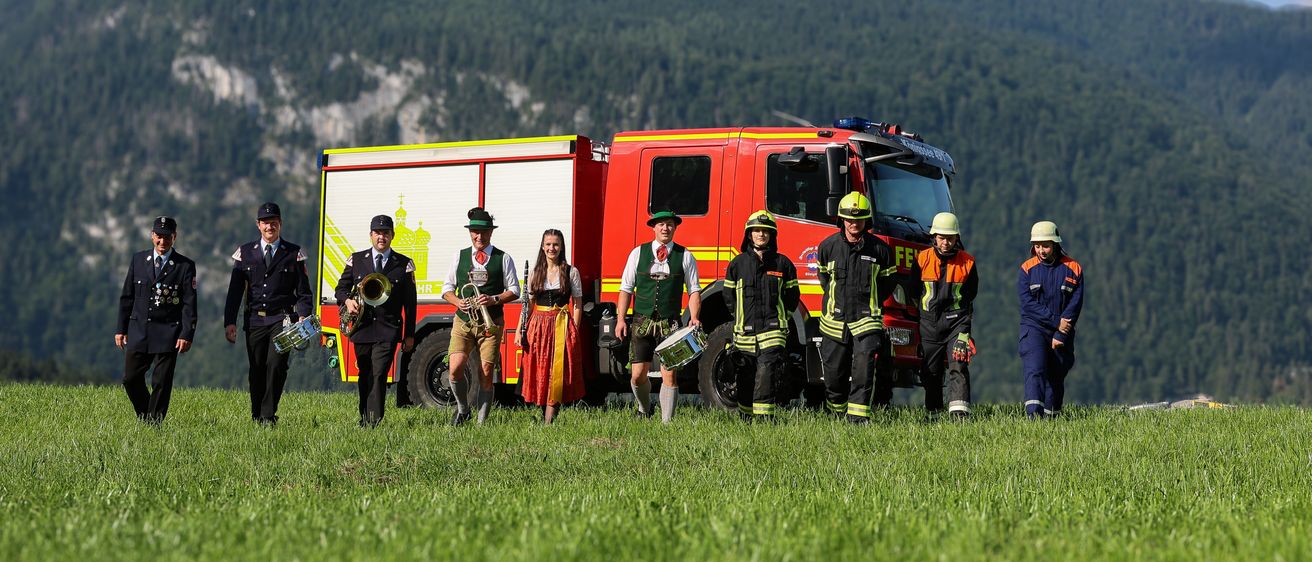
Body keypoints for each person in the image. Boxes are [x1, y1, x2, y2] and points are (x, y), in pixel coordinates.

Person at [223, 202, 313, 426]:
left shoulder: (294, 253)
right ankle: (256, 414)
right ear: (258, 225)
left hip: (282, 320)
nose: (269, 226)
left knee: (276, 366)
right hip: (254, 320)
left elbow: (303, 292)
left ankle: (268, 415)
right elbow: (234, 293)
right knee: (257, 368)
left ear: (280, 224)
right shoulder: (244, 253)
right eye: (265, 222)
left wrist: (303, 316)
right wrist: (229, 322)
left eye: (274, 222)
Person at [816, 192, 897, 424]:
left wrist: (870, 301)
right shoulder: (827, 247)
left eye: (859, 218)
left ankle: (858, 418)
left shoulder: (880, 250)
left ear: (866, 220)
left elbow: (887, 284)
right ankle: (836, 412)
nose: (854, 223)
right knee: (833, 374)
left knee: (864, 368)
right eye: (849, 219)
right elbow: (824, 279)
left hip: (866, 320)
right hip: (834, 321)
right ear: (841, 219)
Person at [615, 210, 702, 422]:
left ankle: (666, 424)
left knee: (670, 374)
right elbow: (626, 289)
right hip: (641, 321)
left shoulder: (686, 256)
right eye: (661, 224)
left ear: (675, 228)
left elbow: (694, 291)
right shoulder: (638, 253)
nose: (665, 228)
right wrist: (620, 320)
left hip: (670, 323)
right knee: (637, 375)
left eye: (670, 224)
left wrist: (694, 317)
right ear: (654, 227)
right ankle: (644, 409)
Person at [335, 215, 417, 427]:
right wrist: (347, 301)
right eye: (378, 233)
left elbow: (410, 304)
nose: (382, 237)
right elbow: (340, 289)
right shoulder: (356, 259)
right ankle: (364, 417)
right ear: (371, 235)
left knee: (379, 373)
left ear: (392, 236)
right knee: (365, 373)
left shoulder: (404, 264)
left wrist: (409, 334)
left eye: (386, 233)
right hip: (362, 327)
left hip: (387, 328)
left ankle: (374, 421)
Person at [441, 207, 520, 426]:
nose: (479, 236)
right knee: (455, 368)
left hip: (491, 322)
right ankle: (463, 409)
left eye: (484, 232)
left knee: (486, 371)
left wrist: (493, 299)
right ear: (470, 232)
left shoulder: (503, 258)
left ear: (491, 233)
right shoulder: (460, 256)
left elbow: (514, 290)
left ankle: (481, 422)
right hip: (464, 320)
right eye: (475, 231)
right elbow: (447, 289)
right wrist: (458, 301)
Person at [114, 216, 197, 424]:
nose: (162, 242)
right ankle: (146, 415)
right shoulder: (138, 260)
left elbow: (189, 303)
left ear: (174, 237)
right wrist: (120, 329)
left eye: (167, 237)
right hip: (138, 330)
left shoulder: (185, 266)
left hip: (168, 332)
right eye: (159, 236)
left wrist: (187, 333)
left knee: (161, 382)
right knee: (130, 379)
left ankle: (154, 423)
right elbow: (127, 296)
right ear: (152, 236)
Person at [722, 210, 799, 421]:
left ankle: (765, 420)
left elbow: (792, 297)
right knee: (745, 375)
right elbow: (729, 297)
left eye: (765, 231)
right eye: (757, 231)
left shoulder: (783, 264)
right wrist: (740, 317)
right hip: (745, 332)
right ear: (749, 234)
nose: (761, 235)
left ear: (772, 236)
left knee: (766, 373)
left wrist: (782, 317)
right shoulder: (737, 264)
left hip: (772, 331)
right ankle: (746, 418)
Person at [910, 212, 979, 418]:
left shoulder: (968, 262)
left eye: (950, 238)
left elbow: (969, 297)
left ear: (957, 238)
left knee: (958, 364)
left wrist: (964, 331)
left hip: (956, 323)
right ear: (934, 237)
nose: (946, 242)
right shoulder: (922, 259)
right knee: (930, 372)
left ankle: (959, 414)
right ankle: (934, 412)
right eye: (942, 237)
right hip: (929, 324)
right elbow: (913, 291)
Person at [516, 229, 585, 424]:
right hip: (537, 325)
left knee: (557, 371)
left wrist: (574, 331)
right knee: (539, 369)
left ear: (561, 246)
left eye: (555, 244)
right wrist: (521, 328)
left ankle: (549, 420)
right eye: (548, 244)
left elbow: (578, 304)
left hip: (561, 324)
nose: (551, 248)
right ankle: (541, 414)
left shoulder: (571, 271)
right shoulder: (535, 272)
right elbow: (527, 305)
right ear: (542, 246)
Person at [1018, 220, 1085, 418]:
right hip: (1034, 328)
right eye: (1037, 246)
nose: (1041, 250)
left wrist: (1060, 333)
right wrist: (1056, 322)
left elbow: (1075, 304)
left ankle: (1052, 418)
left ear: (1055, 244)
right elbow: (1027, 303)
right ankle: (1033, 417)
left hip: (1062, 332)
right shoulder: (1026, 269)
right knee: (1035, 370)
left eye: (1045, 245)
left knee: (1056, 376)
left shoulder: (1074, 269)